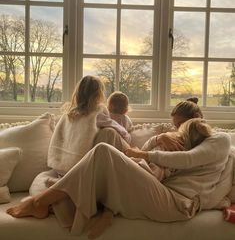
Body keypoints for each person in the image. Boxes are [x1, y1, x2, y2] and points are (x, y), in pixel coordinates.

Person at [6, 98, 231, 240]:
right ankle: (85, 208)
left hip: (178, 203)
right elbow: (152, 156)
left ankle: (41, 201)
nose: (177, 129)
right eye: (175, 125)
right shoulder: (178, 138)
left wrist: (141, 154)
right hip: (160, 188)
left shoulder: (219, 140)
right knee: (107, 142)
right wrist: (158, 139)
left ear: (196, 119)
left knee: (104, 151)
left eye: (180, 125)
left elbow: (188, 160)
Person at [126, 118, 212, 181]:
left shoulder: (191, 156)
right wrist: (158, 138)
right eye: (175, 124)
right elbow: (144, 150)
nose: (176, 127)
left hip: (143, 170)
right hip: (140, 163)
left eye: (180, 123)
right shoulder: (170, 136)